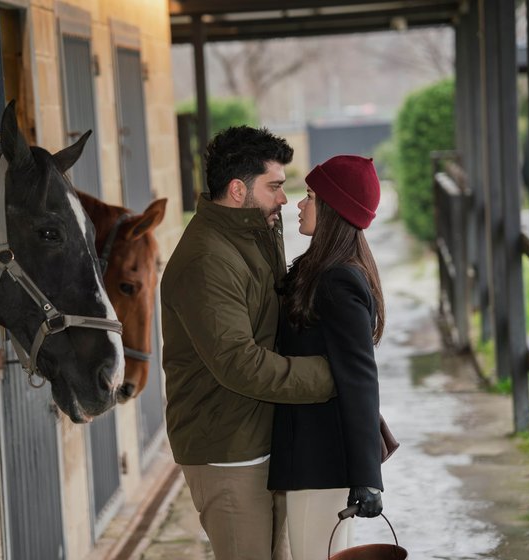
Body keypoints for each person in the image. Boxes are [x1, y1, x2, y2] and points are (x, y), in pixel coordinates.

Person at [161, 126, 338, 560]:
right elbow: (239, 363)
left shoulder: (256, 231)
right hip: (227, 449)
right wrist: (330, 375)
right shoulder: (206, 259)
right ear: (238, 190)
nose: (284, 199)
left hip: (263, 433)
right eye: (274, 186)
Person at [267, 155, 388, 560]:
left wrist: (368, 478)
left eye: (311, 197)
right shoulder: (321, 270)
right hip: (313, 457)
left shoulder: (338, 279)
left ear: (335, 209)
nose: (300, 204)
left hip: (323, 461)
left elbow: (360, 378)